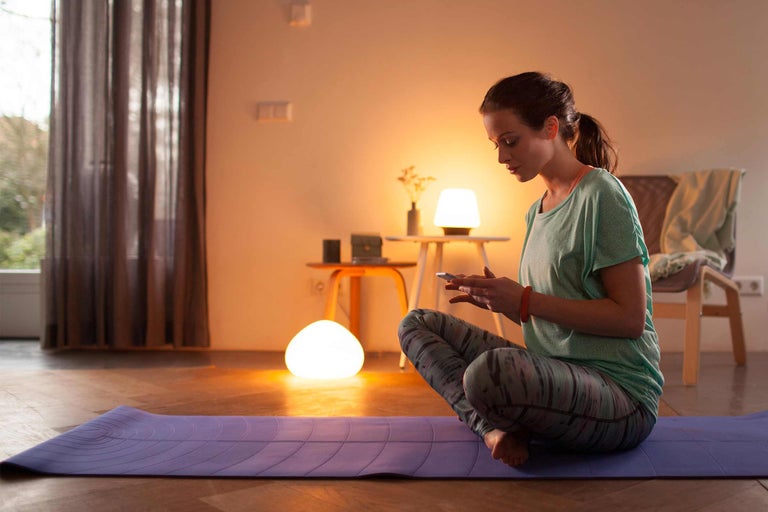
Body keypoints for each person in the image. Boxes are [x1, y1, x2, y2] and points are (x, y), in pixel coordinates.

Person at [398, 71, 664, 467]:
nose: (503, 156)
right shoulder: (535, 212)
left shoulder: (602, 194)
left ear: (551, 127)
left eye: (510, 141)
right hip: (555, 378)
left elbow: (629, 320)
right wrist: (504, 302)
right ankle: (494, 430)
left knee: (489, 374)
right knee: (417, 323)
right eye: (496, 145)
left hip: (620, 400)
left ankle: (505, 423)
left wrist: (524, 299)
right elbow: (552, 322)